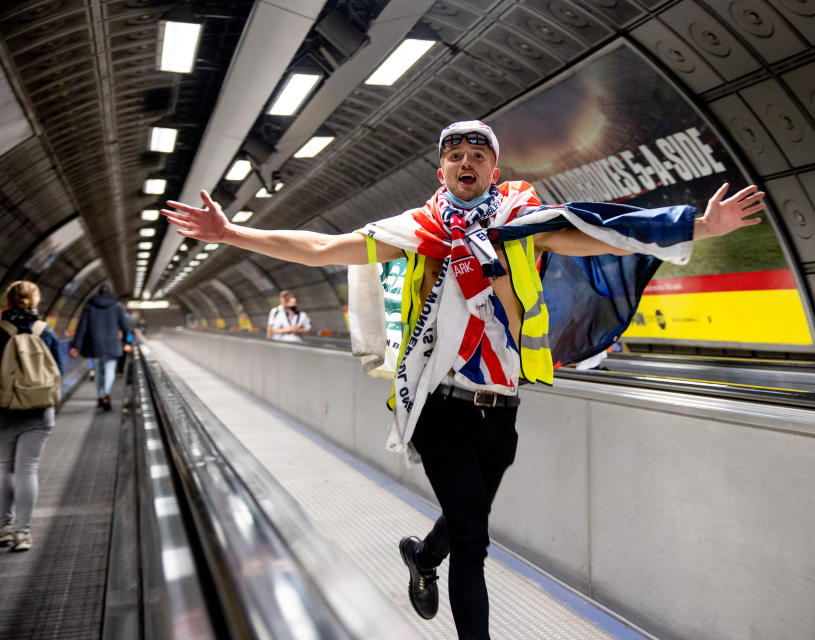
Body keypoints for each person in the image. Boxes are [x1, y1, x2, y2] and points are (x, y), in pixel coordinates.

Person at [163, 120, 764, 639]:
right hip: (440, 406)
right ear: (442, 168)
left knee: (466, 519)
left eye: (478, 154)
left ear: (495, 168)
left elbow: (601, 232)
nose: (465, 162)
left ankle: (422, 556)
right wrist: (230, 234)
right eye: (455, 155)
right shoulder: (417, 229)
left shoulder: (523, 221)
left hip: (501, 406)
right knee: (475, 544)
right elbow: (324, 247)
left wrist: (703, 229)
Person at [0, 281, 64, 551]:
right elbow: (58, 369)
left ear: (8, 301)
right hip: (39, 410)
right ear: (35, 301)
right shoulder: (45, 331)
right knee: (28, 469)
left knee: (3, 467)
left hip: (4, 410)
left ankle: (3, 526)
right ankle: (23, 533)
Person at [69, 284, 133, 411]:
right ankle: (107, 394)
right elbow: (125, 327)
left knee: (98, 370)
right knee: (110, 369)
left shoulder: (89, 306)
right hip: (112, 343)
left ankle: (99, 396)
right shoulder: (117, 307)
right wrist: (128, 342)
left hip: (95, 343)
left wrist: (75, 345)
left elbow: (82, 326)